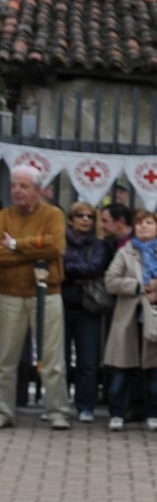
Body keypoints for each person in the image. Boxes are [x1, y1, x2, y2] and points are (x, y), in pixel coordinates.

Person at [0, 166, 70, 430]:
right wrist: (35, 251)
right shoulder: (4, 216)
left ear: (38, 190)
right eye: (14, 185)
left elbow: (56, 247)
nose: (17, 190)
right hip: (9, 294)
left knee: (52, 357)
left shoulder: (53, 215)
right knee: (5, 359)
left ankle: (57, 411)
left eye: (24, 186)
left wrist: (16, 245)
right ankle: (4, 412)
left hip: (47, 293)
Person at [103, 210, 157, 431]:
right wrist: (139, 286)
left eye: (149, 223)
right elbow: (111, 281)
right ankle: (117, 413)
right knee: (122, 368)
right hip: (128, 317)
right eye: (140, 223)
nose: (143, 227)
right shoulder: (125, 252)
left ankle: (154, 412)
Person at [61, 201, 113, 422]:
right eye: (80, 215)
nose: (85, 219)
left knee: (88, 362)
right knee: (58, 360)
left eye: (90, 216)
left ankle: (85, 406)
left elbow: (95, 267)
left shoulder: (99, 245)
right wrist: (74, 270)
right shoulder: (61, 240)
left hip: (89, 308)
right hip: (61, 304)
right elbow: (56, 264)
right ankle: (58, 404)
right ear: (71, 219)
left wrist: (68, 268)